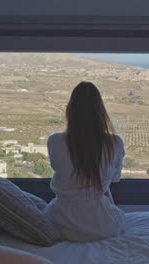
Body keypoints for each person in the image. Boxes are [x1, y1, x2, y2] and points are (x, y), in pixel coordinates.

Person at [44, 81, 126, 242]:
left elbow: (59, 169)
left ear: (70, 110)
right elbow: (115, 179)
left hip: (59, 221)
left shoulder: (55, 141)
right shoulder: (114, 143)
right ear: (101, 112)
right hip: (101, 224)